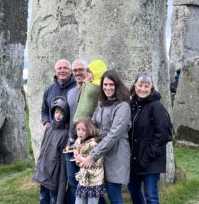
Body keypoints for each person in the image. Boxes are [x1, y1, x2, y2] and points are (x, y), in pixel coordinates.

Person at [80, 70, 131, 204]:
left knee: (114, 196)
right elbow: (92, 126)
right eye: (105, 84)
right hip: (100, 155)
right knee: (98, 194)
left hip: (116, 154)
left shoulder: (123, 106)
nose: (108, 88)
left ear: (117, 86)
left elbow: (114, 134)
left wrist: (93, 155)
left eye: (111, 84)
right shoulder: (102, 105)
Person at [128, 72, 172, 204]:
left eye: (146, 86)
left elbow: (164, 134)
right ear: (135, 85)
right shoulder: (132, 105)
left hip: (151, 159)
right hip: (134, 158)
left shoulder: (156, 106)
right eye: (140, 85)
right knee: (134, 190)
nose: (142, 89)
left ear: (151, 88)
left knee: (151, 196)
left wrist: (149, 154)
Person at [33, 96, 70, 204]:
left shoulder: (65, 133)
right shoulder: (49, 128)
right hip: (44, 169)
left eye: (62, 113)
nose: (58, 115)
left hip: (54, 172)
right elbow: (43, 149)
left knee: (54, 197)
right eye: (57, 112)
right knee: (43, 196)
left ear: (65, 115)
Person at [65, 59, 89, 204]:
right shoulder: (70, 92)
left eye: (81, 69)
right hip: (72, 142)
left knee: (90, 182)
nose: (78, 73)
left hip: (88, 143)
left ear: (87, 71)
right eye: (75, 70)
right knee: (73, 180)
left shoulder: (94, 91)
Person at [73, 117, 106, 204]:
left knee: (92, 202)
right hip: (83, 178)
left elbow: (98, 163)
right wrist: (77, 158)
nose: (80, 132)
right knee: (79, 201)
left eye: (83, 130)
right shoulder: (78, 141)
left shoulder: (94, 144)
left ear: (90, 130)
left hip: (94, 180)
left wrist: (81, 159)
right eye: (78, 129)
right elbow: (78, 160)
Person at [41, 59, 76, 130]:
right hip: (52, 133)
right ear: (55, 72)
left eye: (65, 68)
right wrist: (46, 122)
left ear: (71, 71)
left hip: (70, 133)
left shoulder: (77, 88)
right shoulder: (49, 90)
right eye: (59, 68)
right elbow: (44, 110)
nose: (62, 70)